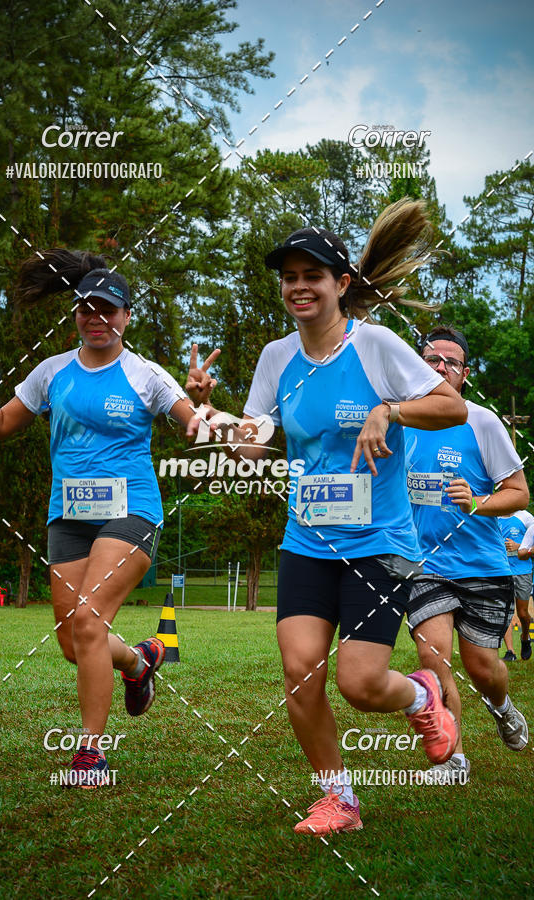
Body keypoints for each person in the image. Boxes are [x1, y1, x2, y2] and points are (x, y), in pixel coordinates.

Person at [187, 198, 468, 835]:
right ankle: (338, 796)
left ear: (341, 284)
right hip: (308, 539)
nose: (298, 287)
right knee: (300, 670)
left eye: (311, 276)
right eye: (289, 277)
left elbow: (451, 407)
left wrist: (389, 412)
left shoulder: (375, 346)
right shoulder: (275, 358)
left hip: (380, 541)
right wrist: (212, 415)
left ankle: (423, 696)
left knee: (360, 683)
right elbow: (255, 441)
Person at [0, 249, 203, 788]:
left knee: (88, 622)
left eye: (108, 309)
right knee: (72, 642)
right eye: (86, 308)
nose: (96, 318)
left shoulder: (146, 374)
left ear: (127, 316)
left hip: (132, 511)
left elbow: (191, 424)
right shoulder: (52, 372)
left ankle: (90, 753)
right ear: (75, 314)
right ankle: (139, 660)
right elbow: (1, 425)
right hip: (70, 517)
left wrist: (197, 404)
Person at [404, 324, 530, 785]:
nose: (438, 367)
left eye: (449, 362)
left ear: (464, 374)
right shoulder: (400, 419)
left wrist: (477, 502)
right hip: (423, 567)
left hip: (482, 566)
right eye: (431, 359)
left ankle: (501, 707)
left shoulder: (482, 421)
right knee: (433, 659)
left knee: (482, 667)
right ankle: (453, 759)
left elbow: (518, 494)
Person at [499, 510, 534, 661]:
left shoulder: (525, 517)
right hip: (501, 569)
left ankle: (525, 637)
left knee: (523, 613)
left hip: (522, 570)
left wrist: (518, 546)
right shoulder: (495, 515)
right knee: (505, 611)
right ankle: (510, 651)